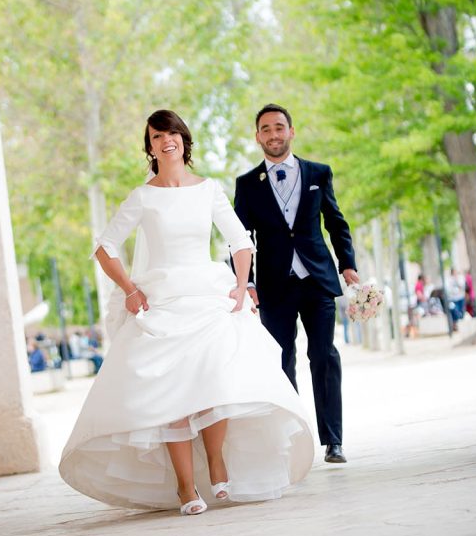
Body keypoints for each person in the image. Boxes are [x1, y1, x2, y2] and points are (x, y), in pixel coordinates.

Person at [59, 109, 316, 515]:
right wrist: (129, 289)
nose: (167, 140)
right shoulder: (143, 197)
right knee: (170, 394)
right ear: (150, 147)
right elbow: (105, 247)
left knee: (215, 382)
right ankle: (185, 487)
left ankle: (217, 463)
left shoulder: (208, 189)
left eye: (173, 133)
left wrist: (240, 284)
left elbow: (240, 240)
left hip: (207, 296)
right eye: (158, 136)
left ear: (184, 139)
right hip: (162, 302)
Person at [234, 104, 358, 464]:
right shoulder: (246, 184)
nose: (273, 135)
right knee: (281, 361)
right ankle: (290, 439)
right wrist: (248, 283)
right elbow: (240, 239)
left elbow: (336, 222)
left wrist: (347, 264)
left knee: (324, 356)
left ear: (291, 131)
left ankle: (333, 440)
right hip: (273, 287)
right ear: (257, 137)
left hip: (317, 280)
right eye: (266, 129)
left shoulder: (319, 173)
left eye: (279, 127)